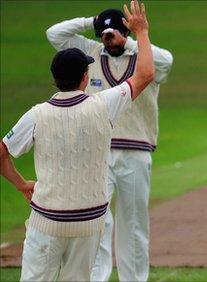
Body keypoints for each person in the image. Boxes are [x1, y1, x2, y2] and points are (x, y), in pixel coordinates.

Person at [0, 1, 154, 280]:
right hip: (87, 224)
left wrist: (22, 184)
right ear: (85, 77)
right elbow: (145, 74)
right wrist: (141, 32)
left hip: (46, 221)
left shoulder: (37, 114)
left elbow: (1, 152)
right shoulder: (103, 105)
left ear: (54, 79)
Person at [46, 4, 173, 281]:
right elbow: (54, 34)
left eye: (113, 32)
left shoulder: (144, 54)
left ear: (126, 30)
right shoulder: (90, 53)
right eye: (103, 33)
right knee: (97, 221)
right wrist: (92, 21)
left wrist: (133, 38)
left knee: (134, 222)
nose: (109, 38)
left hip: (136, 150)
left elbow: (166, 61)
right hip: (96, 152)